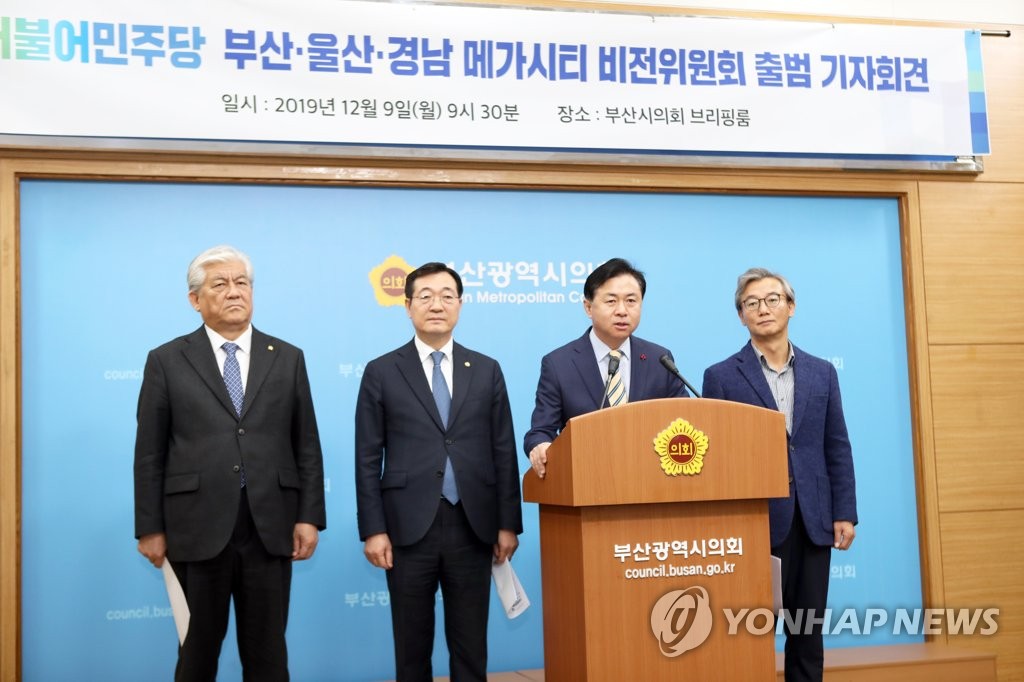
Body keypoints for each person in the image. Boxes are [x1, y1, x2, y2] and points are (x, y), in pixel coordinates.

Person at [134, 245, 326, 682]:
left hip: (270, 527)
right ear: (195, 299)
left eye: (242, 282)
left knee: (269, 656)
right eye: (220, 284)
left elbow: (306, 445)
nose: (234, 291)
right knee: (196, 655)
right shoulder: (166, 360)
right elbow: (149, 453)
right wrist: (150, 527)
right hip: (194, 528)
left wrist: (308, 516)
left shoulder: (288, 357)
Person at [355, 262, 522, 682]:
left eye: (447, 296)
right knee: (411, 647)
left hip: (473, 524)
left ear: (460, 305)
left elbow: (503, 451)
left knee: (471, 646)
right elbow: (367, 457)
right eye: (426, 296)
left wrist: (508, 524)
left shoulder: (486, 369)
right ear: (408, 306)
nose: (437, 305)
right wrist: (373, 529)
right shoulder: (382, 371)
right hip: (407, 528)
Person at [701, 267, 857, 682]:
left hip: (813, 520)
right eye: (751, 303)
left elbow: (836, 445)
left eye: (772, 300)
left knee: (807, 633)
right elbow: (718, 458)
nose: (763, 309)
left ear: (791, 306)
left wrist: (844, 512)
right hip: (755, 522)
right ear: (741, 316)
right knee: (750, 634)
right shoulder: (721, 376)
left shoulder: (822, 372)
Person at [524, 257, 689, 477]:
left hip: (653, 479)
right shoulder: (559, 364)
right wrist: (541, 446)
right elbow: (540, 431)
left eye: (631, 301)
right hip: (589, 480)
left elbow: (685, 419)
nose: (622, 311)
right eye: (611, 301)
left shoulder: (659, 359)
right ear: (588, 307)